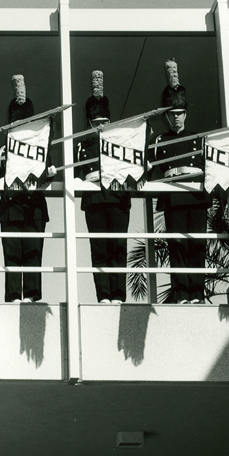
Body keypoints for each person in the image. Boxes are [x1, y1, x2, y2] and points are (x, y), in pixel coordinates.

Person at [0, 74, 55, 303]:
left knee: (33, 253)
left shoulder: (41, 148)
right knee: (12, 255)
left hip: (34, 208)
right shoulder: (1, 151)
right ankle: (14, 295)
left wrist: (49, 173)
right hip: (10, 207)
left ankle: (33, 295)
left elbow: (46, 174)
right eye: (17, 123)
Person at [150, 59, 211, 304]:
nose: (177, 119)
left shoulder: (199, 139)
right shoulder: (158, 142)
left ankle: (196, 292)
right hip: (173, 195)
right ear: (166, 115)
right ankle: (182, 293)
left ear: (186, 113)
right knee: (177, 246)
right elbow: (146, 167)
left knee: (197, 245)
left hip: (195, 195)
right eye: (172, 114)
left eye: (180, 113)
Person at [74, 70, 131, 303]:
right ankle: (104, 295)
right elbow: (78, 175)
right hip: (95, 200)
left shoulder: (121, 144)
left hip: (117, 197)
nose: (100, 127)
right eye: (96, 123)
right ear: (90, 123)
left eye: (104, 122)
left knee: (118, 246)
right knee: (99, 248)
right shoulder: (82, 146)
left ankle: (118, 294)